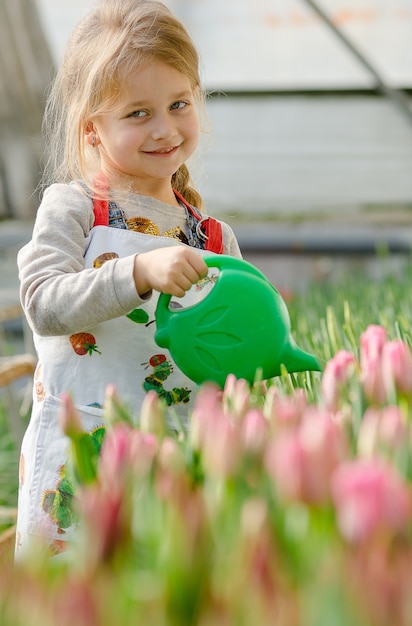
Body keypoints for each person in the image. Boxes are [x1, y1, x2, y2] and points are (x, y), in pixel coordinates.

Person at [15, 0, 241, 557]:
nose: (165, 128)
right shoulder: (73, 209)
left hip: (178, 457)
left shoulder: (212, 239)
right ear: (92, 129)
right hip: (81, 460)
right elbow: (43, 302)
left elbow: (237, 342)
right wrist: (137, 271)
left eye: (178, 103)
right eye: (138, 113)